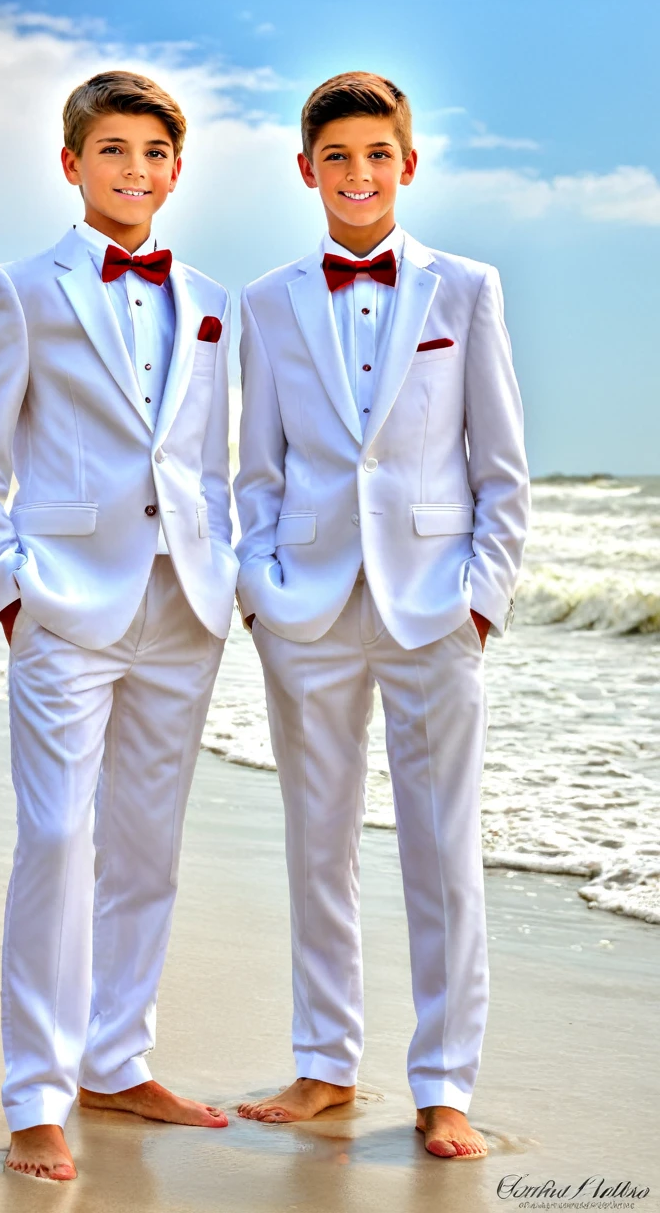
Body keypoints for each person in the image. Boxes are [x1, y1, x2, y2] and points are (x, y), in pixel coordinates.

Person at [0, 70, 238, 1182]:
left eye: (153, 152)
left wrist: (235, 574)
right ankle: (35, 1095)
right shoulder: (20, 288)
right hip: (63, 607)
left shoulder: (214, 297)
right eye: (111, 151)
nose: (134, 170)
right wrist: (10, 595)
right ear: (73, 164)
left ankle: (117, 1058)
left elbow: (216, 459)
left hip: (183, 608)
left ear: (176, 167)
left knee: (146, 851)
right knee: (59, 842)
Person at [233, 71, 529, 1160]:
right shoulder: (265, 301)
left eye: (377, 155)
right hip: (305, 609)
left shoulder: (467, 288)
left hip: (433, 610)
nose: (359, 175)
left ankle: (444, 1083)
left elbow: (501, 465)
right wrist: (259, 588)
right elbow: (254, 466)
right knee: (316, 844)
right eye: (337, 157)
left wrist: (480, 599)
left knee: (442, 853)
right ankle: (324, 1065)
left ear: (408, 163)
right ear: (306, 169)